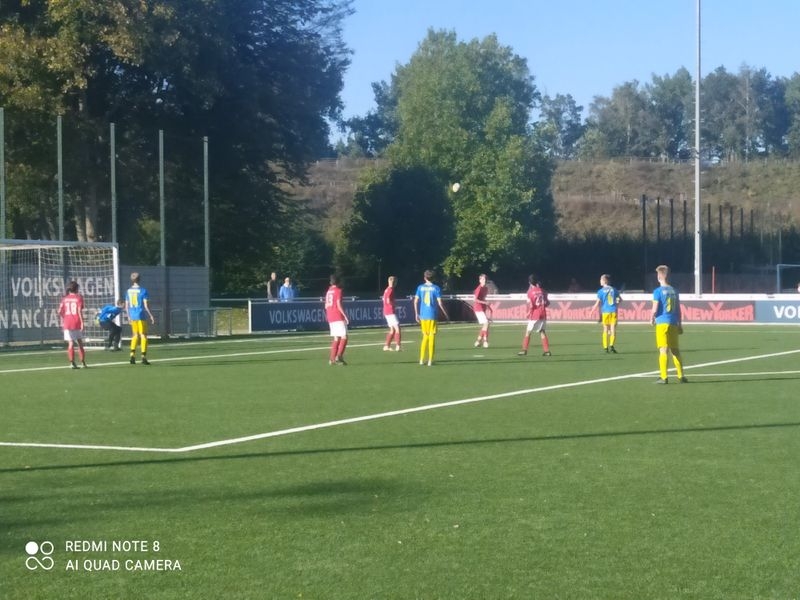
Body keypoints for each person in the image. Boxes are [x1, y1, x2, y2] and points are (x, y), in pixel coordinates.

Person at [650, 265, 687, 384]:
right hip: (673, 322)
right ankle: (681, 376)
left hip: (662, 323)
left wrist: (651, 318)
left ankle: (664, 377)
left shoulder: (657, 291)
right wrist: (680, 324)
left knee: (663, 350)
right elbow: (679, 310)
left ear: (659, 277)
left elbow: (655, 308)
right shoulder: (675, 291)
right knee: (675, 350)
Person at [413, 269, 449, 366]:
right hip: (432, 315)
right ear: (433, 278)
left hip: (423, 315)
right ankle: (430, 360)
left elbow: (415, 301)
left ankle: (421, 359)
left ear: (424, 278)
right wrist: (445, 313)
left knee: (425, 336)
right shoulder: (436, 288)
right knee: (432, 336)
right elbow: (440, 303)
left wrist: (416, 314)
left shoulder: (420, 287)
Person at [518, 274, 551, 357]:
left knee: (528, 332)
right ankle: (547, 351)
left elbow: (531, 305)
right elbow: (547, 303)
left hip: (535, 315)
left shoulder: (530, 292)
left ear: (529, 282)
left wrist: (529, 313)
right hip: (543, 314)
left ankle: (524, 350)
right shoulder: (543, 291)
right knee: (542, 331)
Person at [126, 272, 156, 365]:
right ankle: (143, 356)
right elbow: (146, 305)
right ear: (139, 279)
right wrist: (151, 315)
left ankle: (132, 355)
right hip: (140, 315)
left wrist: (128, 316)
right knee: (143, 335)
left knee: (135, 335)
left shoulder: (128, 291)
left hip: (132, 315)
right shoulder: (143, 291)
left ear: (131, 280)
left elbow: (127, 306)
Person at [590, 274, 623, 353]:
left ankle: (605, 347)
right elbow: (620, 300)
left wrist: (592, 311)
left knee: (605, 329)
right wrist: (616, 304)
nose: (600, 281)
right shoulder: (614, 289)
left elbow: (597, 303)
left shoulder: (600, 291)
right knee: (613, 329)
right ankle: (611, 345)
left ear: (604, 281)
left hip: (605, 312)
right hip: (613, 311)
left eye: (601, 280)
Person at [58, 280, 87, 369]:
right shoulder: (78, 298)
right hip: (76, 322)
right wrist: (82, 322)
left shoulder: (64, 299)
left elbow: (59, 311)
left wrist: (65, 317)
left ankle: (72, 362)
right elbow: (79, 311)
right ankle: (83, 362)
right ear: (76, 289)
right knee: (80, 342)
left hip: (67, 323)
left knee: (70, 343)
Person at [325, 274, 349, 365]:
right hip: (337, 315)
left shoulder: (328, 291)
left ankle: (332, 359)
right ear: (338, 282)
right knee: (344, 336)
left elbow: (326, 305)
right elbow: (338, 304)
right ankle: (339, 356)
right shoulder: (338, 291)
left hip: (330, 316)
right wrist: (345, 315)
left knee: (336, 338)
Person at [382, 275, 401, 351]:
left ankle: (386, 346)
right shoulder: (390, 290)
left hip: (386, 311)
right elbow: (388, 300)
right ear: (395, 282)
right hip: (390, 311)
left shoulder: (386, 289)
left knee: (392, 330)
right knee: (397, 328)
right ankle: (398, 346)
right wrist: (393, 305)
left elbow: (384, 299)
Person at [472, 273, 491, 348]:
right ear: (480, 280)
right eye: (482, 279)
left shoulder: (486, 288)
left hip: (482, 308)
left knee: (485, 325)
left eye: (485, 279)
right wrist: (485, 302)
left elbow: (483, 298)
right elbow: (475, 300)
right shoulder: (479, 288)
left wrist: (486, 304)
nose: (484, 280)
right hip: (478, 308)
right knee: (486, 323)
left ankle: (478, 341)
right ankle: (485, 341)